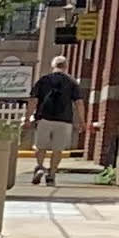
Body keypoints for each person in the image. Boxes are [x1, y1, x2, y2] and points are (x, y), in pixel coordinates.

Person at [25, 54, 85, 186]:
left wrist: (28, 118)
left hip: (44, 118)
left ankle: (40, 166)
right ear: (66, 66)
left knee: (40, 147)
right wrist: (82, 122)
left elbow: (33, 100)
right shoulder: (72, 82)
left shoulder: (43, 80)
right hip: (64, 120)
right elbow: (79, 103)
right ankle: (51, 175)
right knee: (57, 150)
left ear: (53, 66)